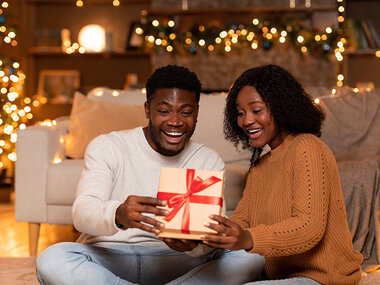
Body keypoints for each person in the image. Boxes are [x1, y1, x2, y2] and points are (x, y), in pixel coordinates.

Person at [36, 65, 265, 285]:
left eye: (185, 112)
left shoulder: (207, 159)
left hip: (175, 261)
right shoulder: (108, 146)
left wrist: (193, 245)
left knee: (252, 257)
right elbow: (82, 211)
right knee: (52, 259)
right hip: (110, 256)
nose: (175, 122)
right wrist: (119, 214)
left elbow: (208, 237)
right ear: (147, 109)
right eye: (163, 111)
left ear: (196, 112)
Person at [200, 64, 363, 284]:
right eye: (240, 113)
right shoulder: (259, 166)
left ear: (281, 107)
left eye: (256, 110)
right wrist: (206, 235)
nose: (246, 121)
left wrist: (247, 238)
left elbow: (308, 228)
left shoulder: (307, 147)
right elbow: (242, 221)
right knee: (204, 275)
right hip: (275, 273)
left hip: (321, 278)